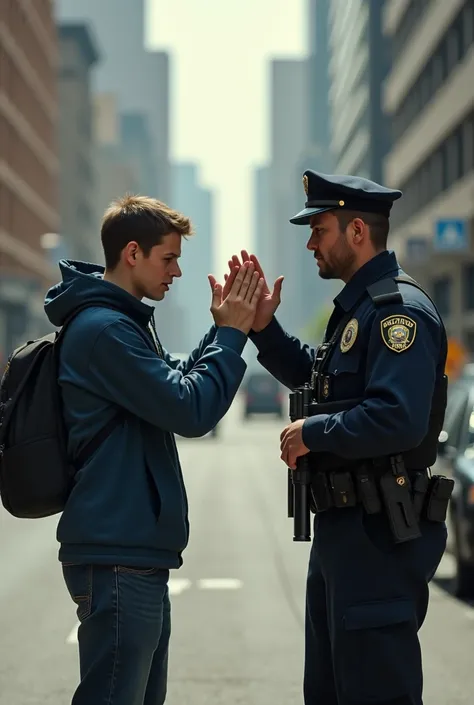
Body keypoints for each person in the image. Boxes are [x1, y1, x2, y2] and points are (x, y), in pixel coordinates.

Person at [223, 170, 449, 705]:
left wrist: (313, 432)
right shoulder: (359, 309)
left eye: (318, 229)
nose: (309, 243)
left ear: (356, 233)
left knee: (374, 691)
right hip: (344, 534)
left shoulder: (398, 314)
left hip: (378, 537)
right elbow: (318, 380)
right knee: (329, 691)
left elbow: (397, 417)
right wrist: (263, 327)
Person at [44, 194, 264, 705]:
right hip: (117, 553)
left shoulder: (122, 323)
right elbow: (190, 411)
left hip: (131, 550)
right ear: (133, 254)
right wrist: (231, 334)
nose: (178, 272)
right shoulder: (105, 331)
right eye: (169, 258)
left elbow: (175, 387)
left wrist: (223, 329)